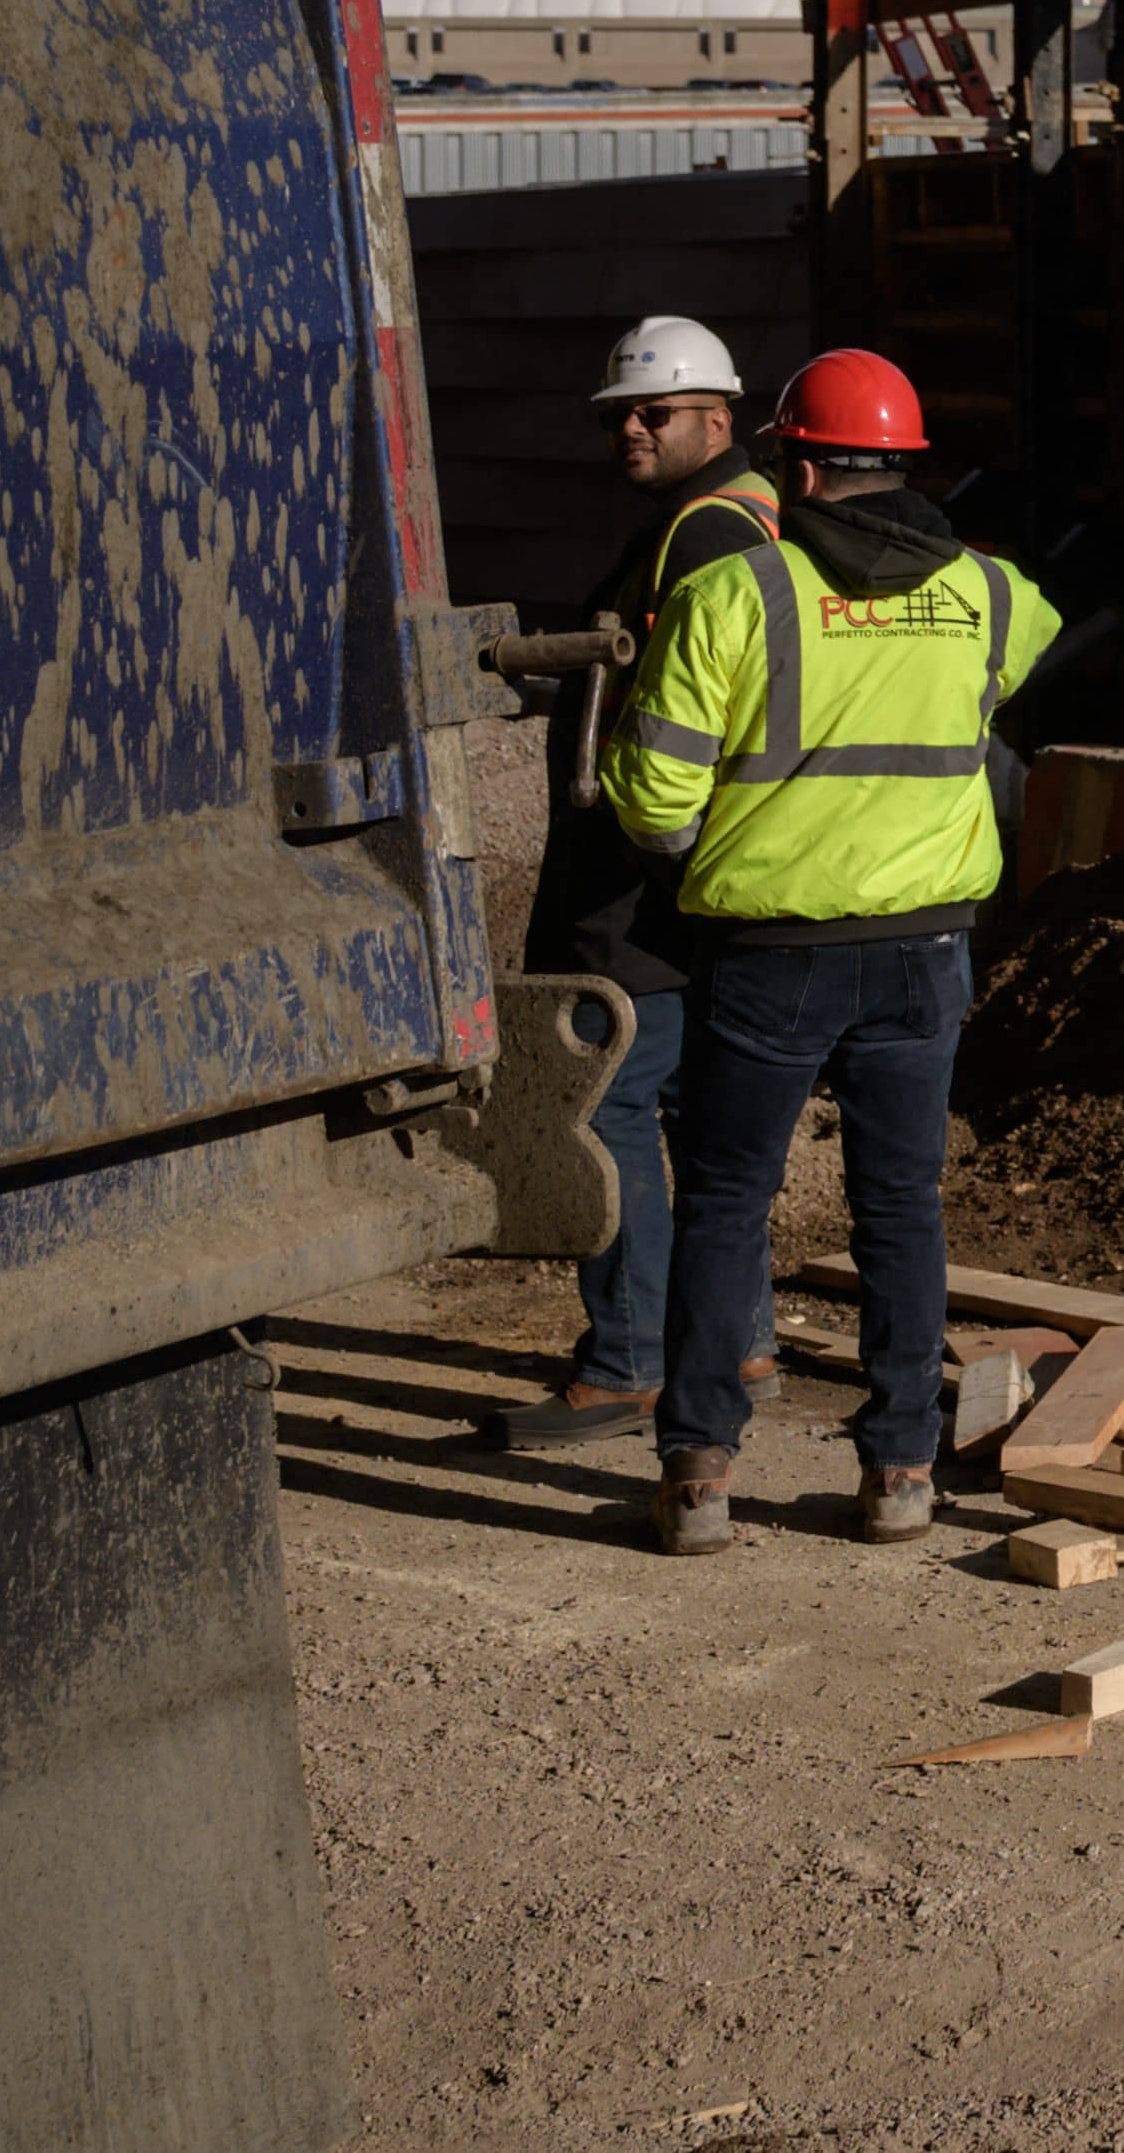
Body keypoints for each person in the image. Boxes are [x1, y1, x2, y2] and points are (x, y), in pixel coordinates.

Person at [607, 351, 1056, 1555]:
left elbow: (652, 798)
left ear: (795, 461)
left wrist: (727, 855)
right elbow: (991, 693)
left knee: (723, 1202)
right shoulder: (999, 595)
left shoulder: (736, 593)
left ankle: (698, 1474)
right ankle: (901, 1469)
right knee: (900, 1207)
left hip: (767, 953)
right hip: (926, 951)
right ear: (907, 463)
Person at [480, 315, 789, 1451]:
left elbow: (678, 721)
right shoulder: (751, 519)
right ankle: (737, 1338)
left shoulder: (702, 534)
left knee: (604, 1108)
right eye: (620, 414)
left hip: (640, 882)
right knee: (702, 1118)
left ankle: (630, 1360)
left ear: (720, 416)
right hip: (711, 878)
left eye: (654, 411)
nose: (632, 429)